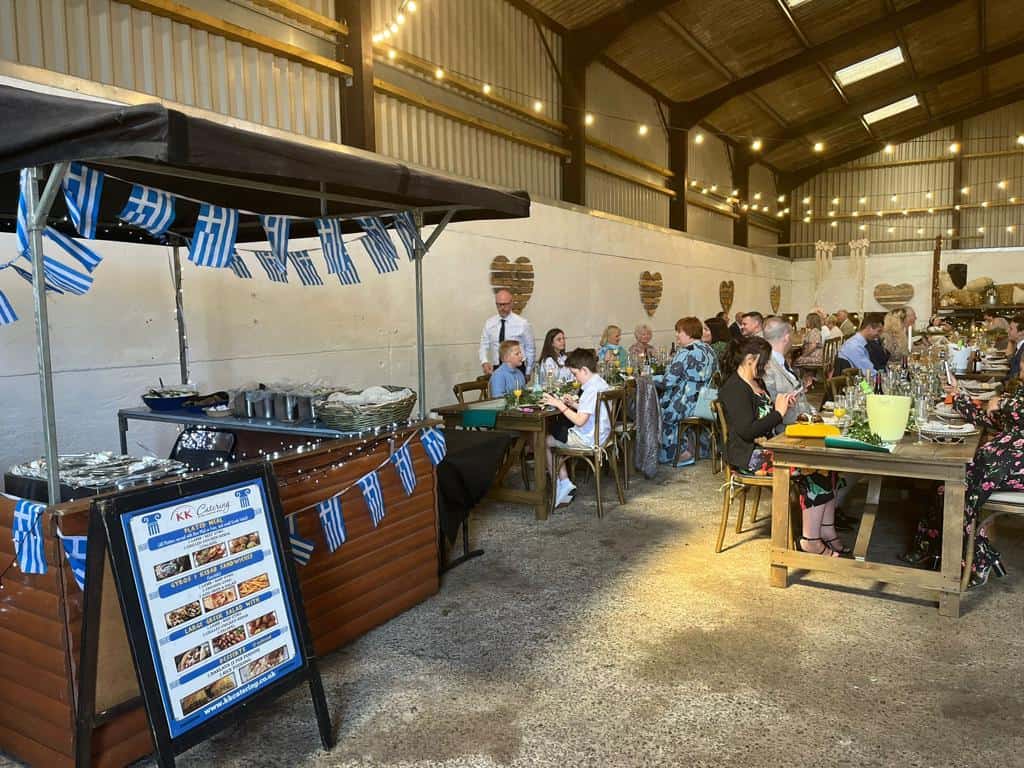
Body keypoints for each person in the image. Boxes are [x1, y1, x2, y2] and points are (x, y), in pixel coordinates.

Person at [718, 336, 846, 556]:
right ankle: (810, 541)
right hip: (749, 456)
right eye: (765, 361)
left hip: (767, 447)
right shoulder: (734, 388)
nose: (767, 366)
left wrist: (783, 405)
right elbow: (748, 431)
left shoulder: (755, 382)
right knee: (814, 469)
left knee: (828, 465)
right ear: (751, 359)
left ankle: (826, 530)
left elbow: (765, 419)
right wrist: (778, 413)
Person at [903, 370, 1024, 587]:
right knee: (947, 480)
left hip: (1014, 467)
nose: (1021, 368)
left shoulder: (1014, 401)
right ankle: (938, 549)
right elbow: (987, 417)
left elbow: (1006, 408)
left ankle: (974, 560)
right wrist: (958, 395)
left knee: (958, 486)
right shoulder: (1019, 395)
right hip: (999, 461)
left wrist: (1003, 402)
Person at [541, 348, 611, 507]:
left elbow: (580, 421)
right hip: (603, 434)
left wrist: (559, 404)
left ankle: (562, 483)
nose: (575, 378)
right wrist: (573, 404)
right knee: (559, 428)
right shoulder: (600, 383)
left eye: (575, 374)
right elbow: (593, 410)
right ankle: (563, 482)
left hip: (588, 439)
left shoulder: (590, 390)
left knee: (545, 440)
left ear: (584, 370)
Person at [659, 317, 718, 466]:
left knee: (661, 411)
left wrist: (647, 378)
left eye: (679, 332)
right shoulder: (709, 349)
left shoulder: (685, 352)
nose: (677, 335)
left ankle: (681, 453)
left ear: (688, 332)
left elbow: (668, 381)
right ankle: (699, 449)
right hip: (706, 402)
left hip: (688, 402)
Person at [762, 318, 814, 428]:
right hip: (788, 428)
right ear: (786, 338)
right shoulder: (768, 366)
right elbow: (771, 404)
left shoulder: (780, 361)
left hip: (802, 420)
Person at [479, 288, 534, 376]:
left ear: (511, 303)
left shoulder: (522, 323)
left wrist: (528, 371)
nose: (502, 308)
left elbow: (530, 348)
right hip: (497, 367)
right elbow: (483, 345)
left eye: (505, 304)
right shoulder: (489, 323)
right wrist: (484, 361)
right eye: (499, 305)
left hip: (517, 367)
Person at [793, 312, 823, 377]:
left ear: (811, 321)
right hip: (817, 357)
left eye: (806, 320)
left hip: (815, 358)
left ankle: (799, 381)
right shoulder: (815, 331)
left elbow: (813, 346)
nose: (805, 322)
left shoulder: (814, 332)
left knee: (795, 361)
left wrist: (804, 355)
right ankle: (807, 378)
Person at [1007, 315, 1024, 381]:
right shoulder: (1019, 346)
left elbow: (1016, 377)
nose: (1007, 330)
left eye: (1011, 329)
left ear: (1021, 332)